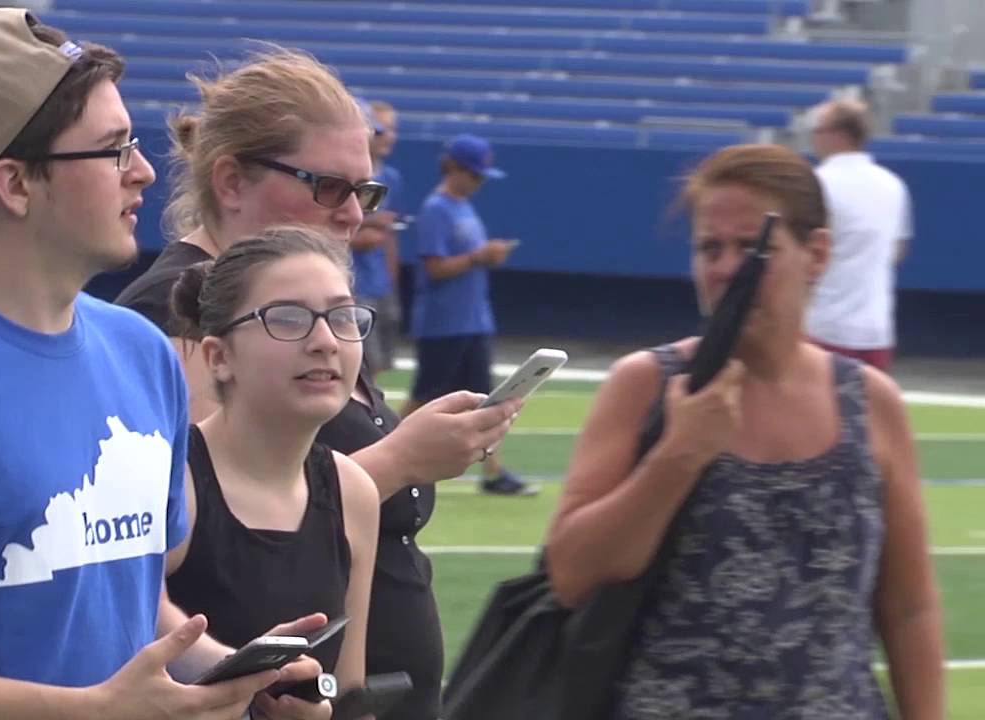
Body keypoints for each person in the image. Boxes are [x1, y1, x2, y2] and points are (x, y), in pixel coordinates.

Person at [0, 10, 326, 720]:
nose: (141, 173)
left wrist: (228, 672)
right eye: (112, 150)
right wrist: (88, 709)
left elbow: (132, 602)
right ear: (13, 183)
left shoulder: (143, 356)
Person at [114, 47, 521, 720]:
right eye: (327, 186)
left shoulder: (324, 311)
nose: (354, 214)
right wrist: (401, 460)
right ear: (232, 181)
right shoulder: (175, 314)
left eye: (365, 191)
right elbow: (215, 530)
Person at [545, 144, 944, 718]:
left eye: (754, 248)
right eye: (710, 248)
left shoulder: (869, 403)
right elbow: (572, 574)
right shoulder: (647, 386)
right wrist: (678, 455)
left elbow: (908, 608)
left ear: (818, 253)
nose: (727, 268)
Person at [166, 226, 380, 702]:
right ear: (219, 357)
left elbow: (347, 691)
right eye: (288, 318)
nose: (325, 341)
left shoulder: (353, 492)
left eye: (342, 317)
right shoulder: (171, 481)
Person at [404, 134, 532, 497]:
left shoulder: (461, 207)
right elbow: (435, 267)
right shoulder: (436, 209)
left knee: (486, 397)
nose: (478, 182)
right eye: (474, 174)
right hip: (444, 322)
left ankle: (493, 471)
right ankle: (380, 448)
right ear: (453, 168)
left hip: (472, 318)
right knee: (426, 393)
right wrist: (480, 257)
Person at [805, 98, 913, 372]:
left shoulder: (818, 182)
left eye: (817, 130)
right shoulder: (892, 185)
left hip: (823, 327)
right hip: (876, 330)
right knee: (868, 414)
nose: (813, 138)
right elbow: (896, 252)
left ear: (837, 135)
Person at [351, 100, 403, 379]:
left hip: (378, 278)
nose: (385, 137)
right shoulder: (349, 174)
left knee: (380, 359)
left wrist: (392, 278)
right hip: (355, 279)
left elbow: (388, 236)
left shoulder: (391, 177)